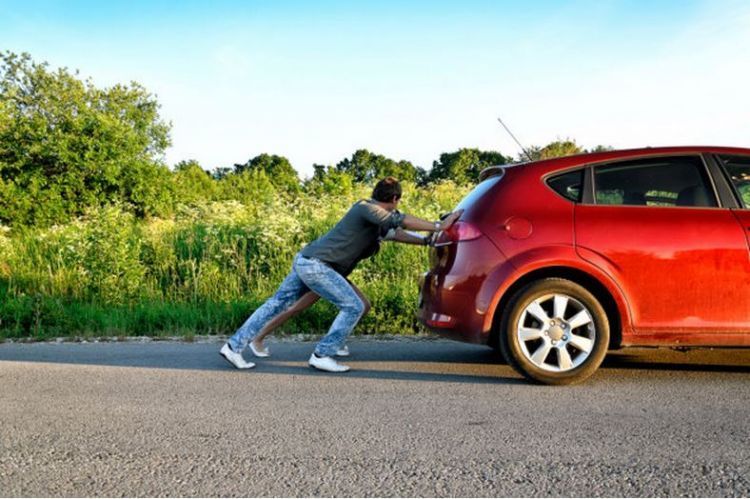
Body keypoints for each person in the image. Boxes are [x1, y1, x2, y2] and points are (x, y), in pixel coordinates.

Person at [219, 177, 461, 373]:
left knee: (278, 303)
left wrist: (427, 241)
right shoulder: (366, 208)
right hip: (318, 266)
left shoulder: (374, 218)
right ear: (395, 199)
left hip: (309, 262)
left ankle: (233, 346)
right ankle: (323, 354)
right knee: (353, 306)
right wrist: (440, 225)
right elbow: (399, 221)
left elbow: (396, 233)